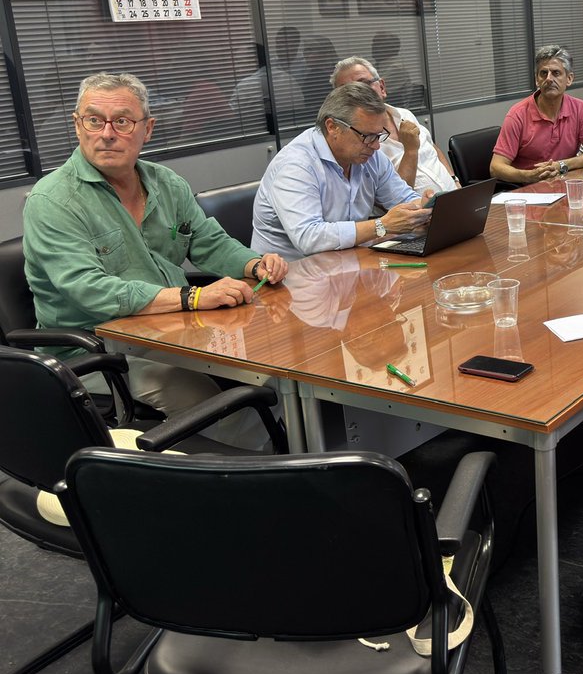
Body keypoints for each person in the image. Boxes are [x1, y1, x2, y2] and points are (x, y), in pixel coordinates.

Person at [23, 73, 289, 441]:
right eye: (94, 120)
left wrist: (253, 263)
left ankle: (285, 451)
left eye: (122, 121)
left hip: (174, 332)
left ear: (147, 129)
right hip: (99, 349)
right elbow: (89, 290)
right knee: (204, 397)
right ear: (77, 124)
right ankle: (255, 478)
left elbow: (208, 242)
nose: (107, 133)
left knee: (273, 367)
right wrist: (192, 297)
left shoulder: (167, 183)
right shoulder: (52, 201)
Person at [252, 83, 431, 261]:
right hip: (290, 274)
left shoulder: (369, 154)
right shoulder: (296, 165)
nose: (376, 146)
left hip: (348, 261)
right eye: (367, 136)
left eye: (378, 136)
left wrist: (426, 207)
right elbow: (308, 238)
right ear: (332, 127)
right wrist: (380, 226)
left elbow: (403, 198)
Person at [330, 56, 457, 193]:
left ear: (382, 87)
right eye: (347, 90)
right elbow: (395, 197)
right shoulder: (353, 140)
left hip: (455, 196)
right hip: (418, 211)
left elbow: (433, 148)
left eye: (364, 84)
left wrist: (454, 179)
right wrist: (410, 151)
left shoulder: (405, 115)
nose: (358, 94)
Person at [490, 44, 583, 185]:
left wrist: (562, 165)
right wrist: (528, 176)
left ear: (569, 78)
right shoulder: (518, 114)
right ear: (537, 80)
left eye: (556, 73)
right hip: (527, 190)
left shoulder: (580, 108)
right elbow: (495, 167)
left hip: (564, 185)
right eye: (543, 73)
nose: (549, 79)